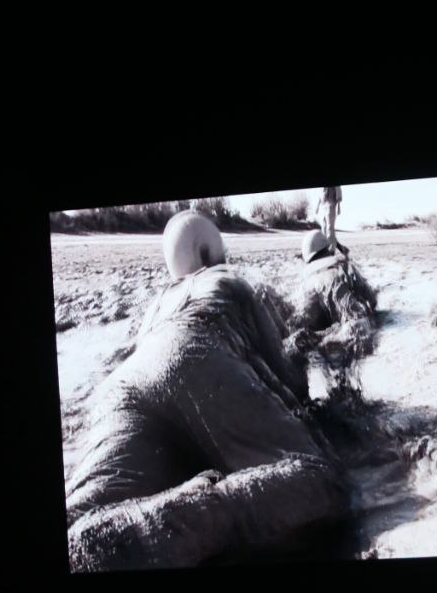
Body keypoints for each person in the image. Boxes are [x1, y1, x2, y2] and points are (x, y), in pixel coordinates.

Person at [64, 210, 349, 571]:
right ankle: (201, 510)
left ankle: (114, 532)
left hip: (120, 388)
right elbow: (292, 382)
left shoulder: (155, 306)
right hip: (196, 352)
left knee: (82, 513)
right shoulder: (226, 277)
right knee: (318, 481)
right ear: (205, 252)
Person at [285, 229, 378, 364]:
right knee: (358, 329)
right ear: (328, 249)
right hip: (351, 326)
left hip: (313, 329)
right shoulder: (344, 268)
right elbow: (372, 301)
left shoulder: (305, 282)